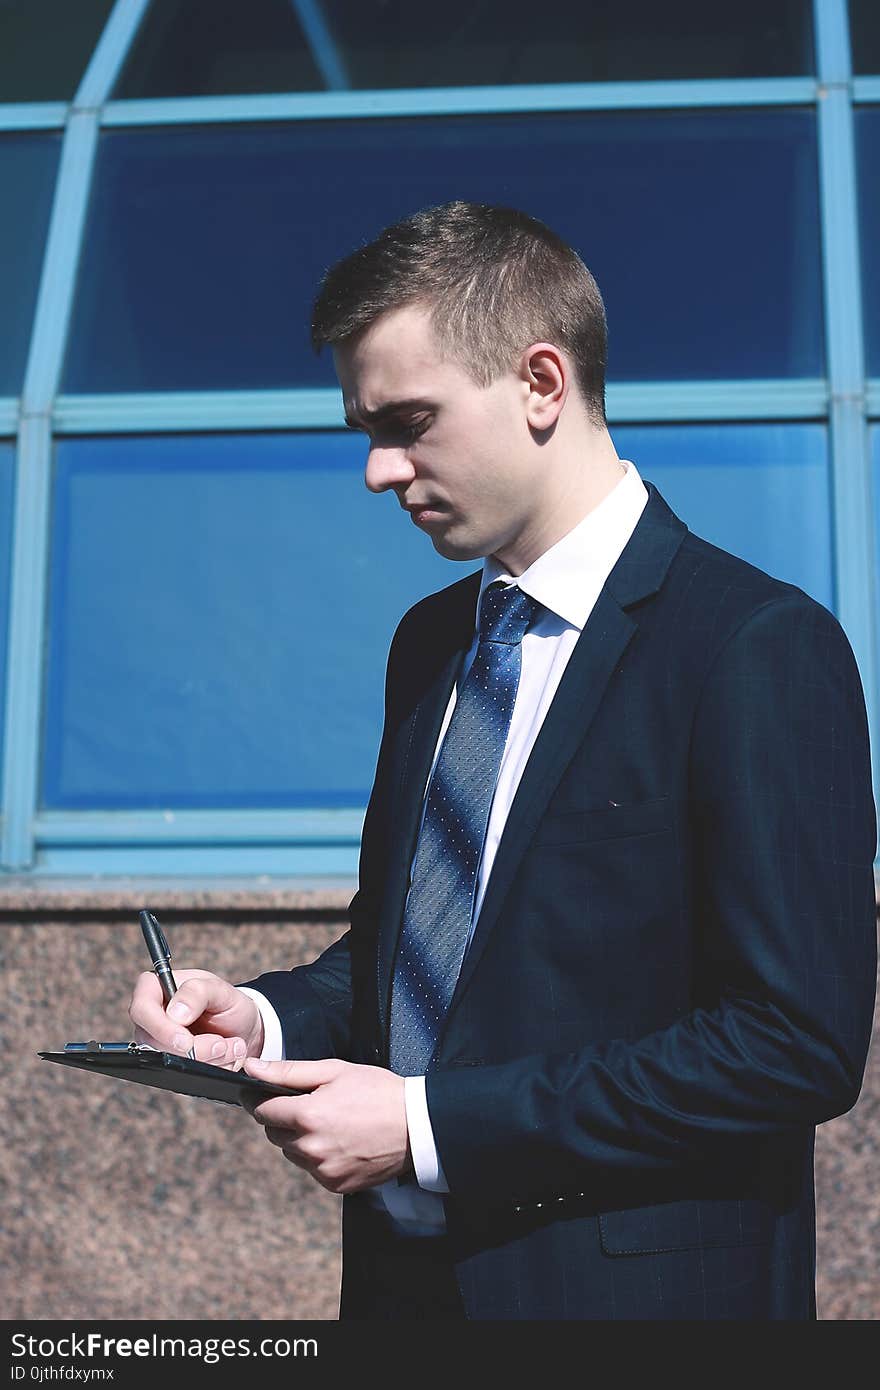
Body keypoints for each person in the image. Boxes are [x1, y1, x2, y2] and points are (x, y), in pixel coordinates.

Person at [130, 201, 877, 1321]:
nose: (380, 470)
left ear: (541, 382)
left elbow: (792, 1045)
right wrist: (264, 1016)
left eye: (410, 420)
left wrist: (428, 1126)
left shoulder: (751, 644)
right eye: (364, 430)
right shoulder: (431, 642)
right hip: (404, 1296)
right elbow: (419, 950)